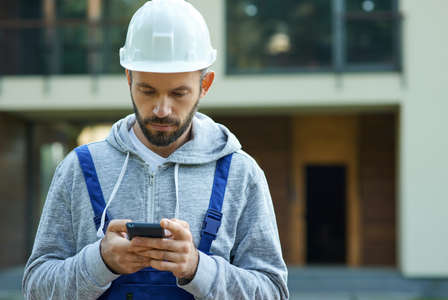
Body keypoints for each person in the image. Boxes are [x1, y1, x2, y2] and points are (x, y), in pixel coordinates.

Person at [22, 0, 289, 299]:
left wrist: (198, 269)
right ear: (129, 79)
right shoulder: (79, 169)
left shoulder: (242, 174)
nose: (162, 109)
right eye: (147, 91)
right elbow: (36, 288)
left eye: (178, 93)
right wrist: (99, 262)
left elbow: (273, 292)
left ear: (206, 85)